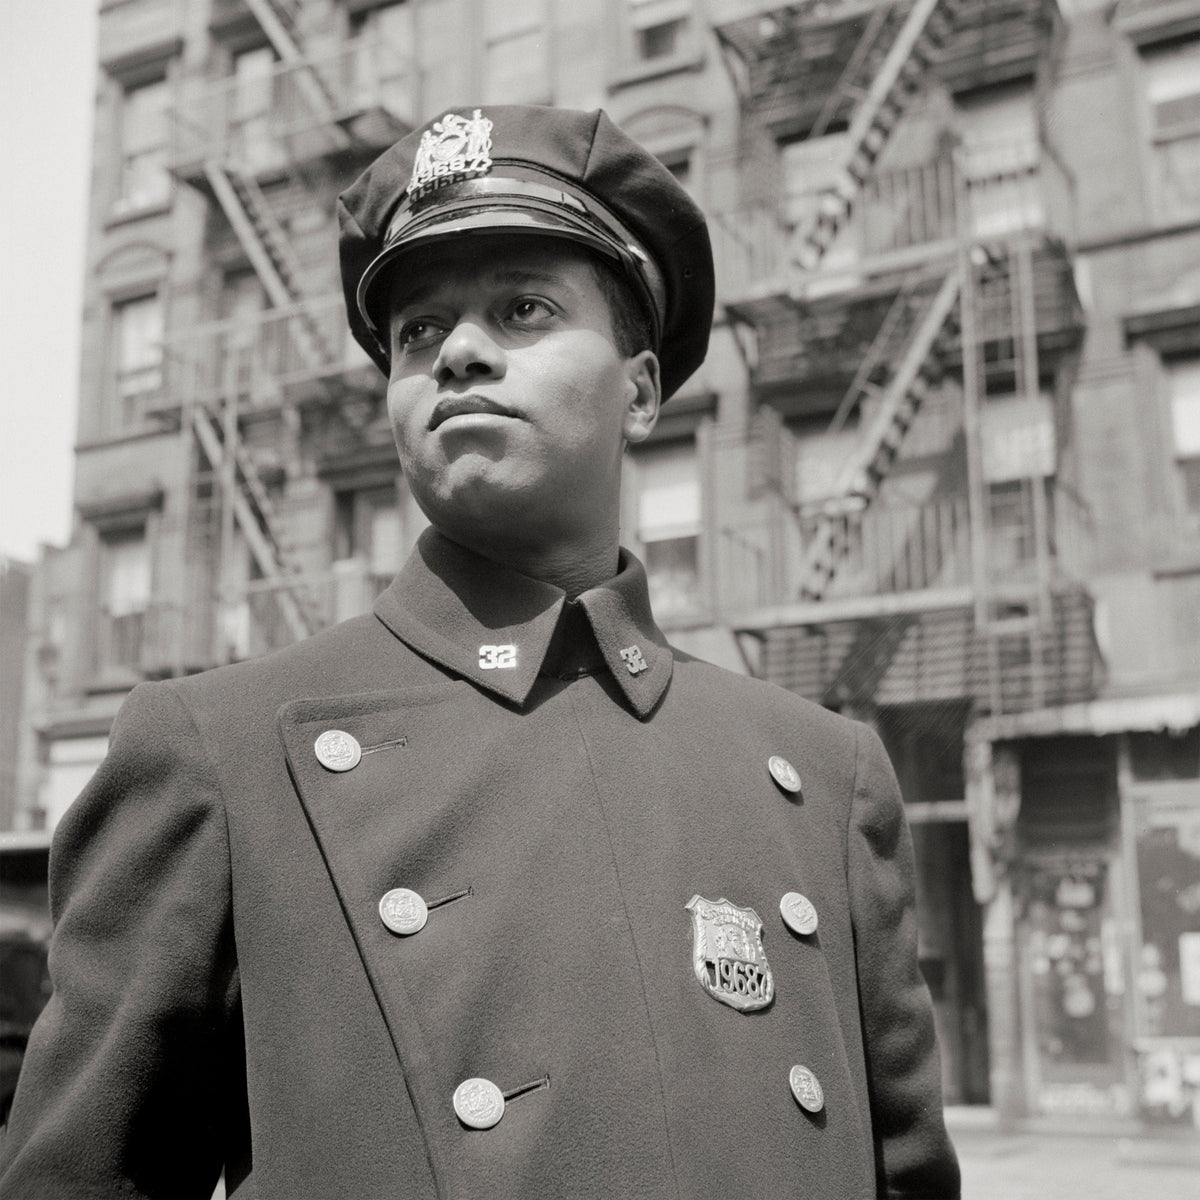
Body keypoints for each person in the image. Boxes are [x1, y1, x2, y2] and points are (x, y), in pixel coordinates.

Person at [0, 104, 960, 1198]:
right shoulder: (216, 754)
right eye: (418, 331)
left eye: (523, 309)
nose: (457, 349)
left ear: (641, 389)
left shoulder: (824, 777)